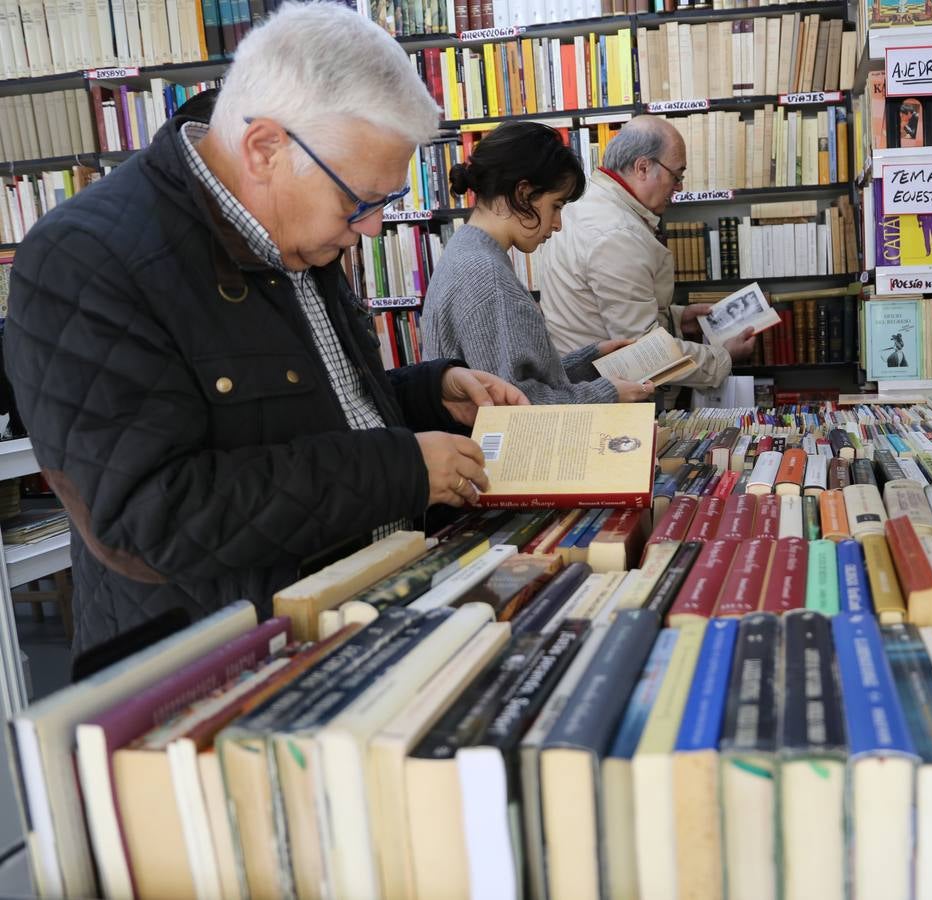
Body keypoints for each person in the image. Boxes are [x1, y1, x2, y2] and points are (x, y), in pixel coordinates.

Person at [2, 3, 527, 654]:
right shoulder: (86, 260)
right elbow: (150, 513)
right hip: (222, 670)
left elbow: (294, 405)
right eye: (359, 202)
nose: (370, 229)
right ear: (264, 149)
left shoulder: (292, 226)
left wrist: (425, 392)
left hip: (350, 617)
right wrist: (400, 469)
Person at [420, 122, 653, 405]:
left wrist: (589, 360)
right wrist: (608, 393)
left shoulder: (466, 250)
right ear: (523, 194)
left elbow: (508, 376)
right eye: (556, 206)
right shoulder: (486, 275)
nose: (557, 224)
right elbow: (518, 405)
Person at [537, 116, 757, 393]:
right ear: (643, 167)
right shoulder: (616, 234)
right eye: (676, 176)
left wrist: (678, 318)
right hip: (606, 396)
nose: (679, 188)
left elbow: (600, 309)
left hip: (586, 383)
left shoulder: (587, 201)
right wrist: (723, 356)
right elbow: (643, 352)